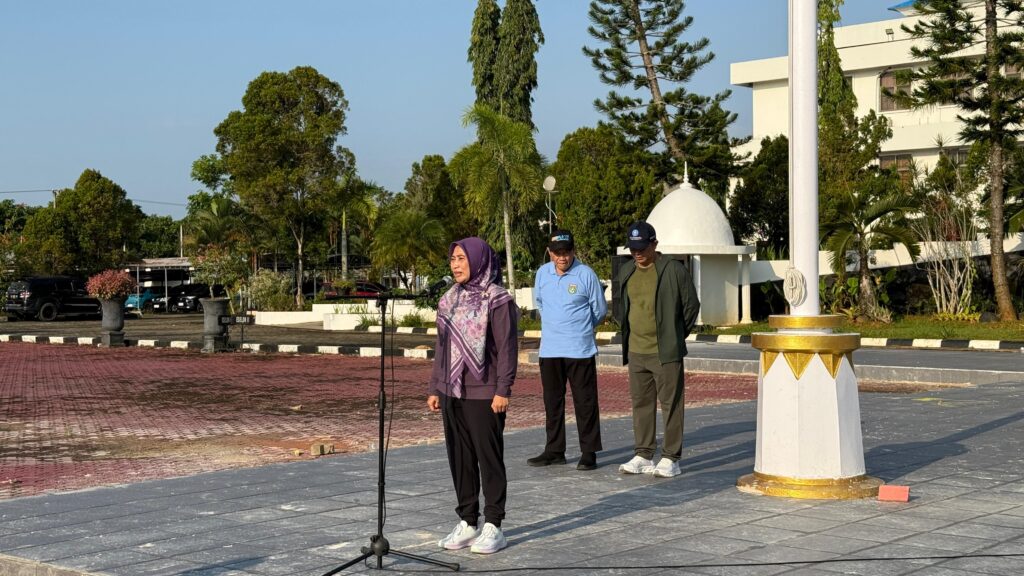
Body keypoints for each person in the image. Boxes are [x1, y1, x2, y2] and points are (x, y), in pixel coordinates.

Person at [427, 237, 519, 555]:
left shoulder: (498, 299)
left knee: (487, 458)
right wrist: (436, 387)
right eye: (452, 258)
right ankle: (468, 522)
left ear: (479, 260)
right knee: (461, 459)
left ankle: (494, 524)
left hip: (485, 392)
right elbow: (442, 347)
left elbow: (507, 348)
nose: (455, 264)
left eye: (462, 258)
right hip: (453, 391)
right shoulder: (449, 299)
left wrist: (503, 389)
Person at [613, 221, 700, 478]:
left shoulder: (673, 270)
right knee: (641, 403)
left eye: (642, 247)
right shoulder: (627, 271)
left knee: (671, 404)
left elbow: (691, 306)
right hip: (637, 351)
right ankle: (643, 453)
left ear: (655, 244)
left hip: (665, 352)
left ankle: (671, 457)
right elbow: (622, 307)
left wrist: (674, 335)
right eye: (633, 248)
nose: (637, 253)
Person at [527, 230, 608, 471]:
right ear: (550, 252)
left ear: (573, 250)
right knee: (552, 403)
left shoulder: (586, 274)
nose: (563, 257)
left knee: (585, 402)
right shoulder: (542, 274)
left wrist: (579, 328)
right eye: (558, 253)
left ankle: (589, 452)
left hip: (579, 350)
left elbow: (599, 310)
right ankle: (554, 450)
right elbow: (540, 303)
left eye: (567, 252)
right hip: (550, 350)